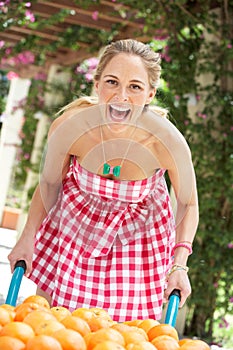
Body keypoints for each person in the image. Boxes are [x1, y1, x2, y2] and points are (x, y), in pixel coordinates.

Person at [8, 39, 198, 322]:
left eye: (135, 86)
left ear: (150, 94)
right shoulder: (70, 127)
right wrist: (27, 238)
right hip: (73, 234)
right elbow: (50, 185)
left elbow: (188, 203)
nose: (121, 96)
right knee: (54, 327)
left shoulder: (164, 142)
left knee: (122, 336)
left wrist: (179, 266)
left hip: (137, 244)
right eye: (112, 82)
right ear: (97, 85)